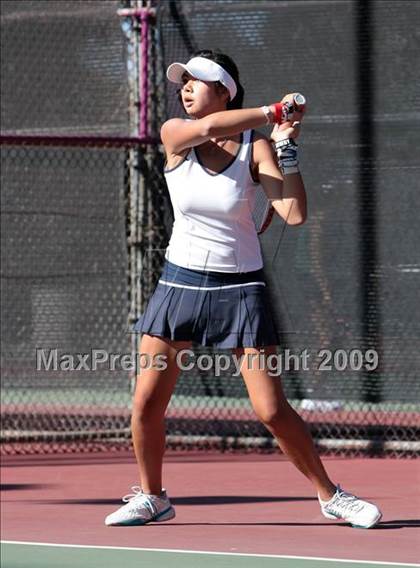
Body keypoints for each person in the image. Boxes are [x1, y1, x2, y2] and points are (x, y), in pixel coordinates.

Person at [105, 49, 382, 529]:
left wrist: (285, 145)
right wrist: (278, 109)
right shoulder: (176, 134)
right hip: (180, 283)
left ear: (225, 91)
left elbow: (293, 214)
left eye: (197, 81)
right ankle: (153, 497)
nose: (185, 88)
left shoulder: (256, 147)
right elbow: (213, 130)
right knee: (147, 401)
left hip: (241, 290)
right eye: (182, 82)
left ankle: (331, 495)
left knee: (271, 409)